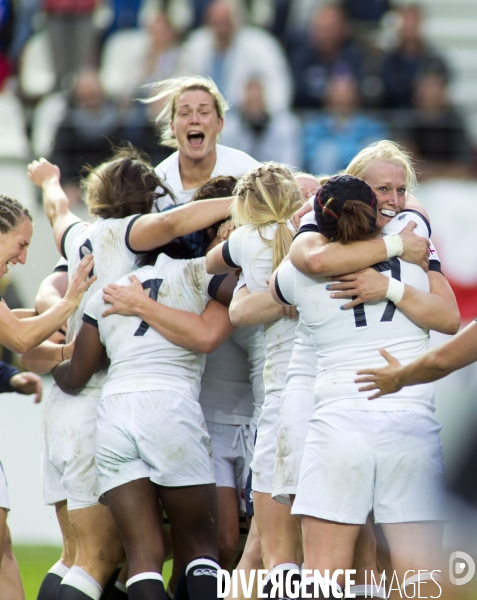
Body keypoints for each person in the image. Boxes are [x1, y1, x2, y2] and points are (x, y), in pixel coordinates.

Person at [27, 145, 234, 600]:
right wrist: (246, 202)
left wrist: (47, 179)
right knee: (100, 558)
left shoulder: (80, 234)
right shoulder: (133, 235)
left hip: (75, 398)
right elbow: (173, 225)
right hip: (106, 386)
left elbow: (58, 211)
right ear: (149, 198)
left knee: (92, 555)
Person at [272, 175, 446, 599]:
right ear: (376, 216)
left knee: (323, 580)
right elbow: (451, 318)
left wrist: (308, 223)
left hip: (338, 423)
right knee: (418, 581)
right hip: (411, 422)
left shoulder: (298, 274)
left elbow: (277, 288)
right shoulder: (416, 271)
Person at [52, 241, 238, 600]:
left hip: (115, 411)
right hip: (170, 406)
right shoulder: (196, 271)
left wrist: (50, 365)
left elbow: (76, 377)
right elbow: (249, 293)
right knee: (200, 547)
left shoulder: (108, 292)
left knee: (142, 557)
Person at [206, 162, 304, 597]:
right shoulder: (309, 241)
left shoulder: (245, 239)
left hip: (277, 403)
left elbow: (210, 264)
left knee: (269, 550)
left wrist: (234, 244)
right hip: (316, 398)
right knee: (280, 548)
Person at [148, 74, 259, 212]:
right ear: (172, 126)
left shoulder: (247, 171)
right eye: (184, 113)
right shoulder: (157, 186)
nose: (194, 119)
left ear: (219, 123)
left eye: (204, 112)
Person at [177, 0, 293, 114]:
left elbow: (281, 90)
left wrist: (261, 110)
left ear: (238, 20)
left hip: (246, 121)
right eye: (216, 22)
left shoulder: (262, 45)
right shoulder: (195, 45)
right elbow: (180, 85)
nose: (221, 28)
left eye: (225, 22)